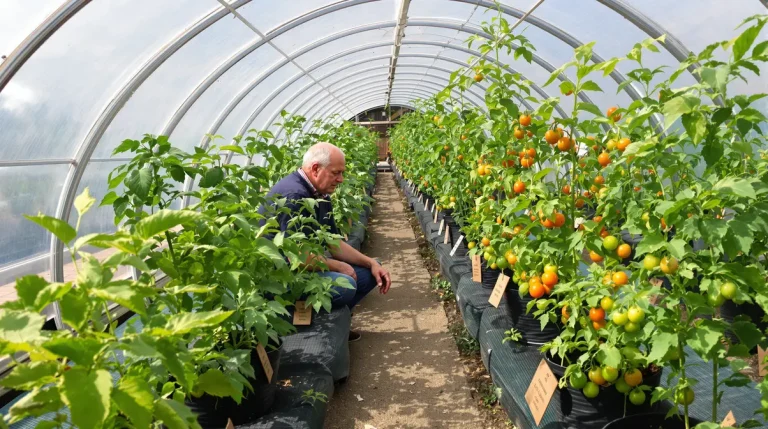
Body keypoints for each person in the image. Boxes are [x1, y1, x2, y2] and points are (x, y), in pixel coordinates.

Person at [265, 142, 391, 341]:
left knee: (370, 273)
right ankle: (305, 329)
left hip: (301, 271)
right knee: (346, 283)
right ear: (316, 169)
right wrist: (338, 266)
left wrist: (371, 263)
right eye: (336, 173)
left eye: (342, 173)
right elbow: (297, 257)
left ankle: (333, 326)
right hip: (280, 279)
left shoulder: (320, 195)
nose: (340, 179)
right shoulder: (294, 196)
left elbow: (334, 243)